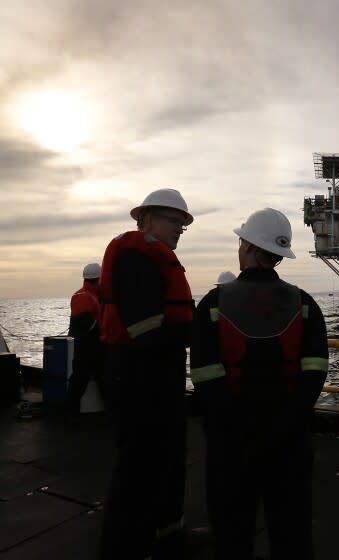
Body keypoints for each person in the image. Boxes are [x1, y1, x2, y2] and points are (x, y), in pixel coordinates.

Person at [190, 208, 328, 559]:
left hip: (231, 446)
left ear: (249, 246)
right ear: (279, 254)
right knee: (292, 535)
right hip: (290, 444)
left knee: (233, 535)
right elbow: (314, 373)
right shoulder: (306, 305)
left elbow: (205, 375)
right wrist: (286, 425)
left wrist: (237, 429)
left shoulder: (212, 305)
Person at [98, 188, 194, 559]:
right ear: (146, 220)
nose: (179, 229)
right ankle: (123, 548)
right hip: (139, 379)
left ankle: (169, 535)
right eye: (174, 221)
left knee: (168, 462)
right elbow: (145, 330)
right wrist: (197, 333)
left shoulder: (152, 258)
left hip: (159, 376)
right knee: (137, 471)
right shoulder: (136, 259)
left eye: (182, 224)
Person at [66, 262, 104, 413]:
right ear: (99, 279)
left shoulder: (91, 295)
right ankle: (71, 413)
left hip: (93, 345)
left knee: (100, 379)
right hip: (88, 346)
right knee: (80, 381)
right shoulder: (83, 296)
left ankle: (71, 413)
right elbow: (84, 323)